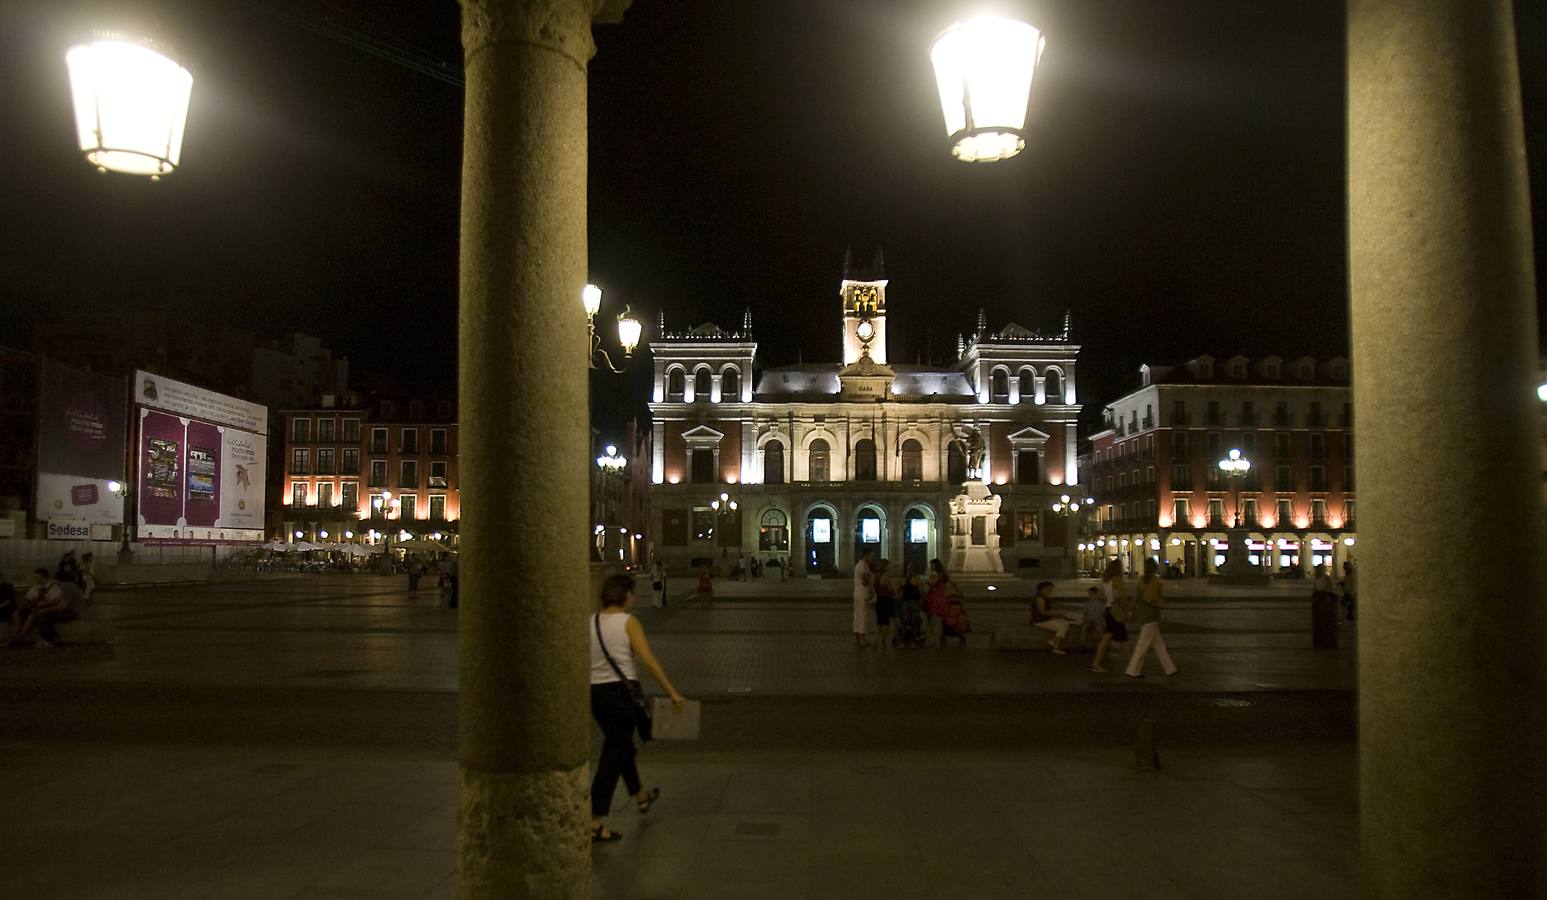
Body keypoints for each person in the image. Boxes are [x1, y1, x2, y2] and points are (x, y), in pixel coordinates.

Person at [589, 574, 686, 843]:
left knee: (621, 748)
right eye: (632, 593)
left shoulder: (591, 622)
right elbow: (649, 661)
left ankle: (641, 796)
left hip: (596, 695)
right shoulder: (629, 622)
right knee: (612, 756)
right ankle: (594, 821)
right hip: (622, 696)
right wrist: (672, 692)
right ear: (625, 594)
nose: (633, 598)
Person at [1125, 557, 1179, 677]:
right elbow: (1156, 599)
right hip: (1152, 614)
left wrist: (1132, 611)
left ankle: (1170, 668)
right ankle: (1132, 670)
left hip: (1143, 612)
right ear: (1155, 568)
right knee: (1143, 645)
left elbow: (1136, 598)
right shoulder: (1156, 582)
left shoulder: (1141, 580)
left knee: (1159, 645)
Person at [9, 568, 85, 647]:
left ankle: (48, 639)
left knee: (41, 616)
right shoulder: (71, 586)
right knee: (32, 614)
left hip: (71, 611)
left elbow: (62, 605)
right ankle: (17, 637)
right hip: (72, 610)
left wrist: (45, 609)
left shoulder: (65, 587)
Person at [1091, 560, 1130, 673]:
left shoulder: (1105, 581)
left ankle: (1096, 663)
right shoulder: (1117, 580)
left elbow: (1099, 596)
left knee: (1110, 637)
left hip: (1108, 610)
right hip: (1115, 611)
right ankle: (1133, 664)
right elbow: (1122, 596)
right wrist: (1128, 608)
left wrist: (1108, 600)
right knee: (1122, 639)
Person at [1030, 580, 1072, 655]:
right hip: (1040, 621)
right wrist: (1056, 614)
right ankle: (1056, 646)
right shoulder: (1040, 599)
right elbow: (1042, 612)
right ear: (1043, 589)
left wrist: (1056, 615)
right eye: (1049, 590)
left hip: (1043, 619)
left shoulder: (1043, 597)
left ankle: (1054, 641)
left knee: (1065, 622)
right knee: (1062, 626)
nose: (1050, 592)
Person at [924, 558, 952, 647]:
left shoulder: (934, 574)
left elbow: (932, 584)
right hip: (941, 599)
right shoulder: (943, 575)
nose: (930, 567)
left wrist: (926, 582)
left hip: (934, 599)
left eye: (931, 565)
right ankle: (937, 640)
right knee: (939, 621)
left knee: (934, 621)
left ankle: (936, 641)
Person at [852, 549, 876, 646]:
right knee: (863, 616)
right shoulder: (864, 566)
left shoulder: (859, 565)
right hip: (863, 593)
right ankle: (862, 639)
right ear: (866, 556)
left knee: (857, 615)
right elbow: (865, 581)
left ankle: (857, 638)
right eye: (871, 556)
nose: (872, 558)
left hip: (858, 593)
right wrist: (872, 591)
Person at [872, 559, 895, 650]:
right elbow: (890, 589)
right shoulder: (886, 576)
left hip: (878, 600)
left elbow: (873, 587)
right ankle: (883, 641)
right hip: (886, 599)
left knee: (879, 622)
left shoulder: (875, 575)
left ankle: (876, 641)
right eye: (888, 565)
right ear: (885, 566)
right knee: (886, 622)